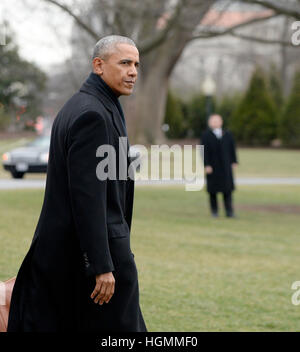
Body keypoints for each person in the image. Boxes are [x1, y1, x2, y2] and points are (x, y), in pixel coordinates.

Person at [7, 35, 147, 332]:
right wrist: (101, 265)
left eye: (136, 64)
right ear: (98, 65)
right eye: (124, 63)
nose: (133, 71)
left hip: (80, 254)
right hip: (91, 259)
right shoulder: (92, 114)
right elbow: (88, 198)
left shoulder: (95, 105)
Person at [201, 114, 238, 218]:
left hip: (225, 166)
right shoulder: (206, 135)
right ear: (210, 123)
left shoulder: (227, 134)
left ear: (221, 122)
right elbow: (203, 151)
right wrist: (206, 165)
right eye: (213, 121)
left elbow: (232, 149)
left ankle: (229, 212)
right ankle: (214, 211)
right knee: (213, 191)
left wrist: (234, 161)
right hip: (212, 167)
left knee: (227, 190)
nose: (215, 123)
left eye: (217, 121)